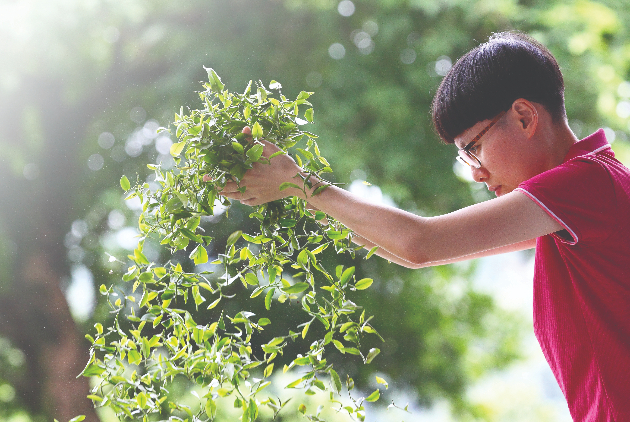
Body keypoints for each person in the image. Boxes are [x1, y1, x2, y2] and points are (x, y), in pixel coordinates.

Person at [220, 31, 630, 422]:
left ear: (524, 117)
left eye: (474, 149)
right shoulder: (579, 201)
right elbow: (411, 254)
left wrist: (301, 183)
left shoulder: (586, 185)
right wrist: (298, 195)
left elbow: (422, 242)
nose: (477, 174)